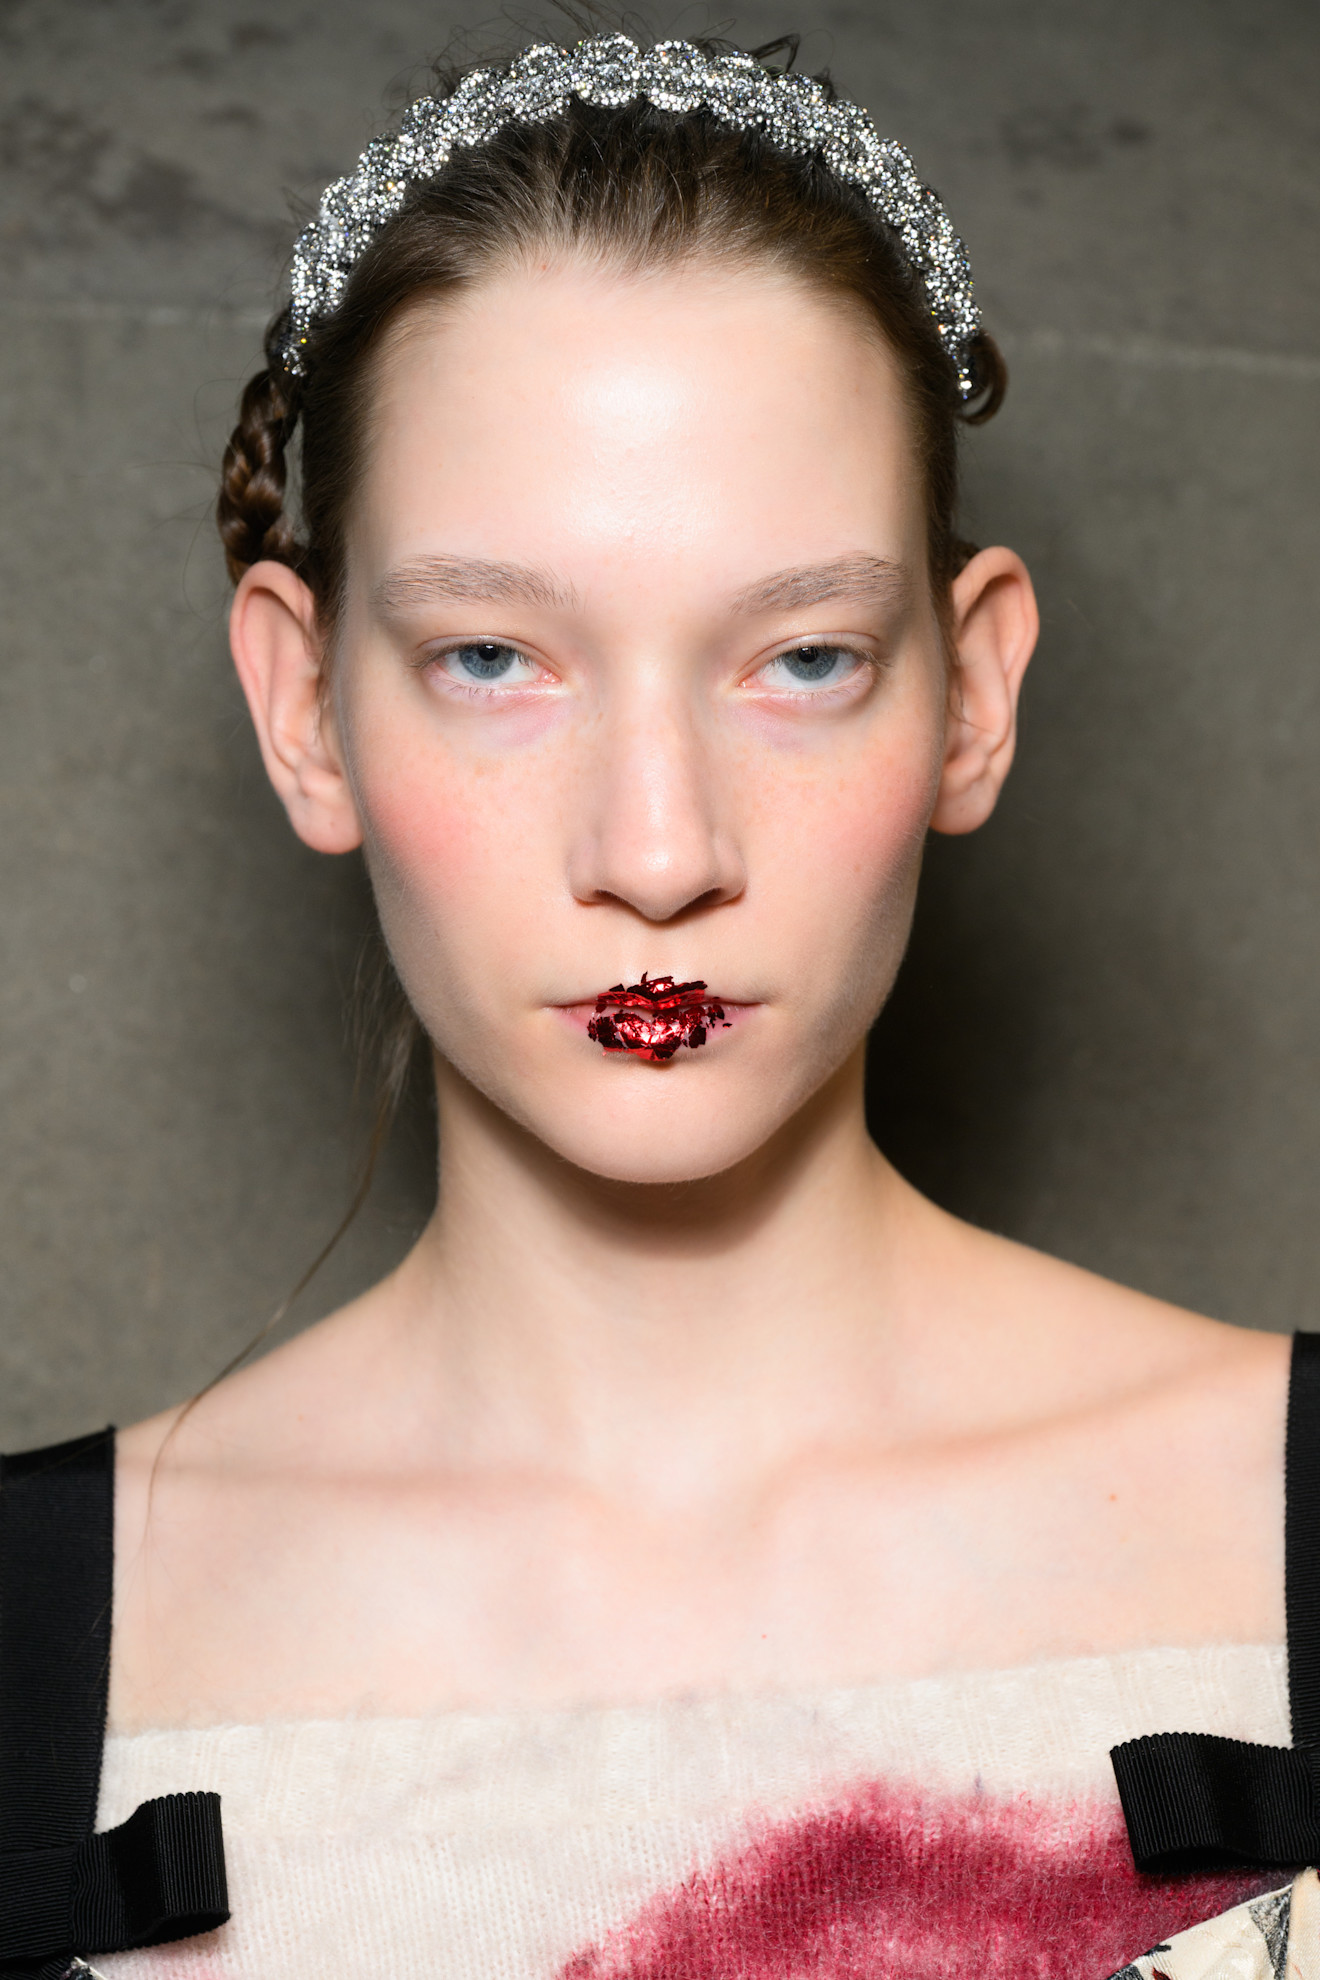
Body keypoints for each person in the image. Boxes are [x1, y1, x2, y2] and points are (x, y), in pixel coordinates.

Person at [0, 28, 1309, 1980]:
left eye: (800, 657)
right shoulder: (27, 1640)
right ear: (304, 708)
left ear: (975, 692)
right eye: (492, 655)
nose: (661, 846)